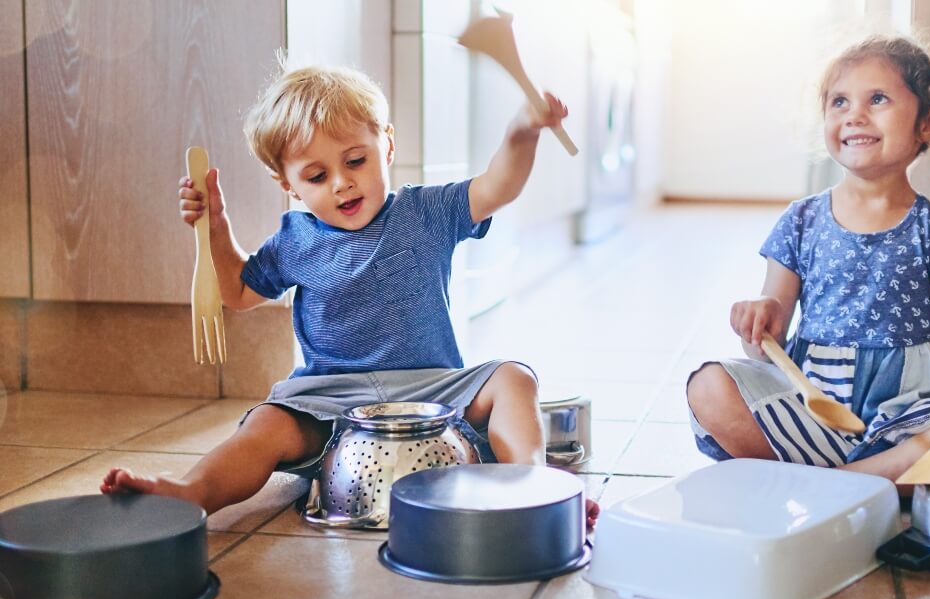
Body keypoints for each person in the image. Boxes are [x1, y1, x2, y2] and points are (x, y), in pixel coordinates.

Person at [102, 63, 598, 526]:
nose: (342, 184)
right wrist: (216, 225)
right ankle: (193, 493)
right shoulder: (295, 240)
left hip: (433, 392)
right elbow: (237, 292)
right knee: (266, 425)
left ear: (386, 145)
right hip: (332, 402)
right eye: (317, 176)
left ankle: (532, 485)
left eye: (355, 160)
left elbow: (498, 186)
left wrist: (522, 131)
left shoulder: (427, 211)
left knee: (513, 378)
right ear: (288, 185)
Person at [686, 36, 930, 484]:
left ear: (929, 123)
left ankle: (830, 482)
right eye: (839, 101)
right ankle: (871, 482)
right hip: (812, 412)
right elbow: (763, 348)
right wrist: (760, 320)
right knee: (709, 386)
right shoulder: (800, 221)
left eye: (877, 99)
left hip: (907, 423)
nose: (854, 114)